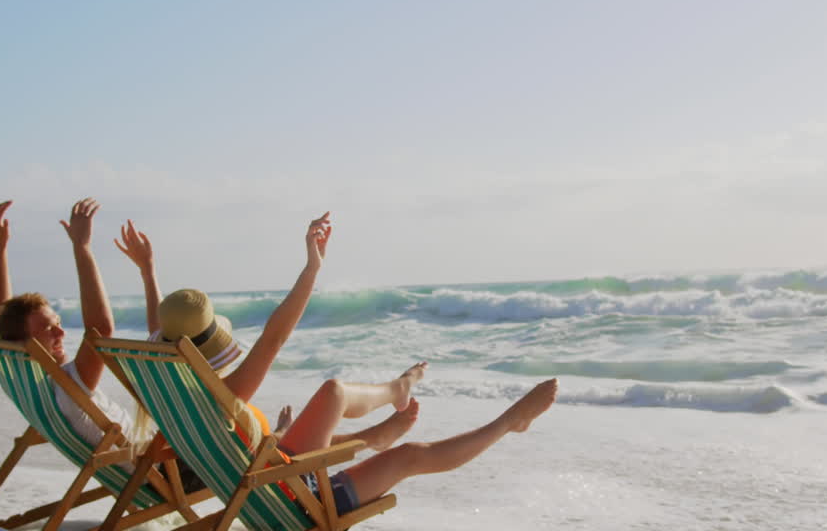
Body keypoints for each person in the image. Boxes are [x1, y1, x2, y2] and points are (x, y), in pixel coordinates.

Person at [154, 212, 558, 515]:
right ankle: (507, 421)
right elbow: (273, 337)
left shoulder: (168, 393)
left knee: (337, 408)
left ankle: (382, 427)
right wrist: (313, 268)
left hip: (270, 477)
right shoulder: (221, 394)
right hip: (293, 496)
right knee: (406, 450)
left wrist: (274, 435)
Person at [0, 198, 204, 492]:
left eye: (58, 323)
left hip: (147, 466)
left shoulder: (20, 376)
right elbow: (100, 330)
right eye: (48, 330)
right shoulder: (68, 387)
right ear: (23, 342)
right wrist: (82, 247)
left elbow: (1, 315)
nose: (61, 333)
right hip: (168, 472)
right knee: (240, 436)